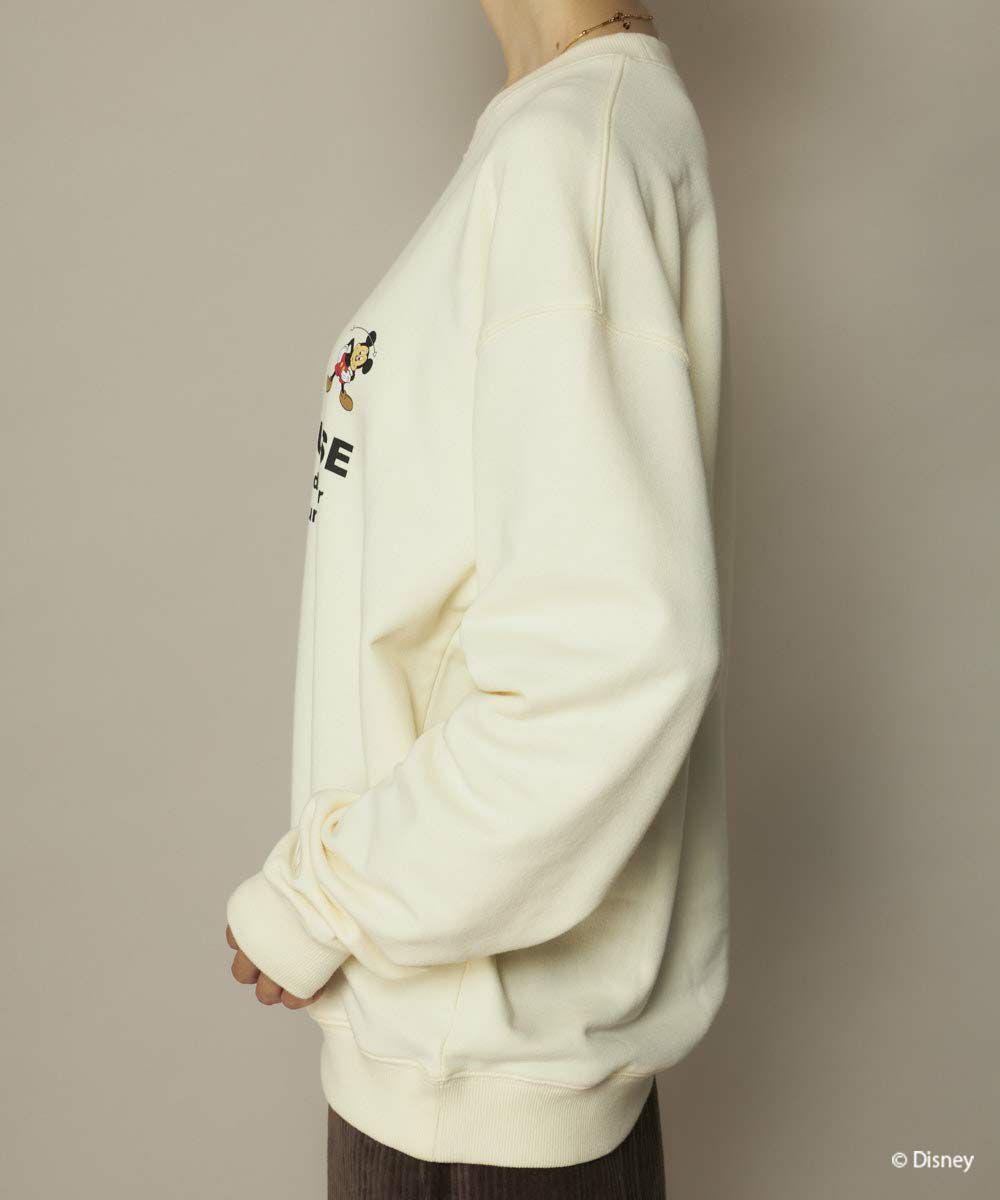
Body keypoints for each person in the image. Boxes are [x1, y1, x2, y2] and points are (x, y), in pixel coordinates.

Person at [225, 2, 733, 1195]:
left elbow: (607, 667)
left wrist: (321, 899)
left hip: (473, 1103)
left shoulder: (572, 150)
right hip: (453, 1067)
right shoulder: (561, 134)